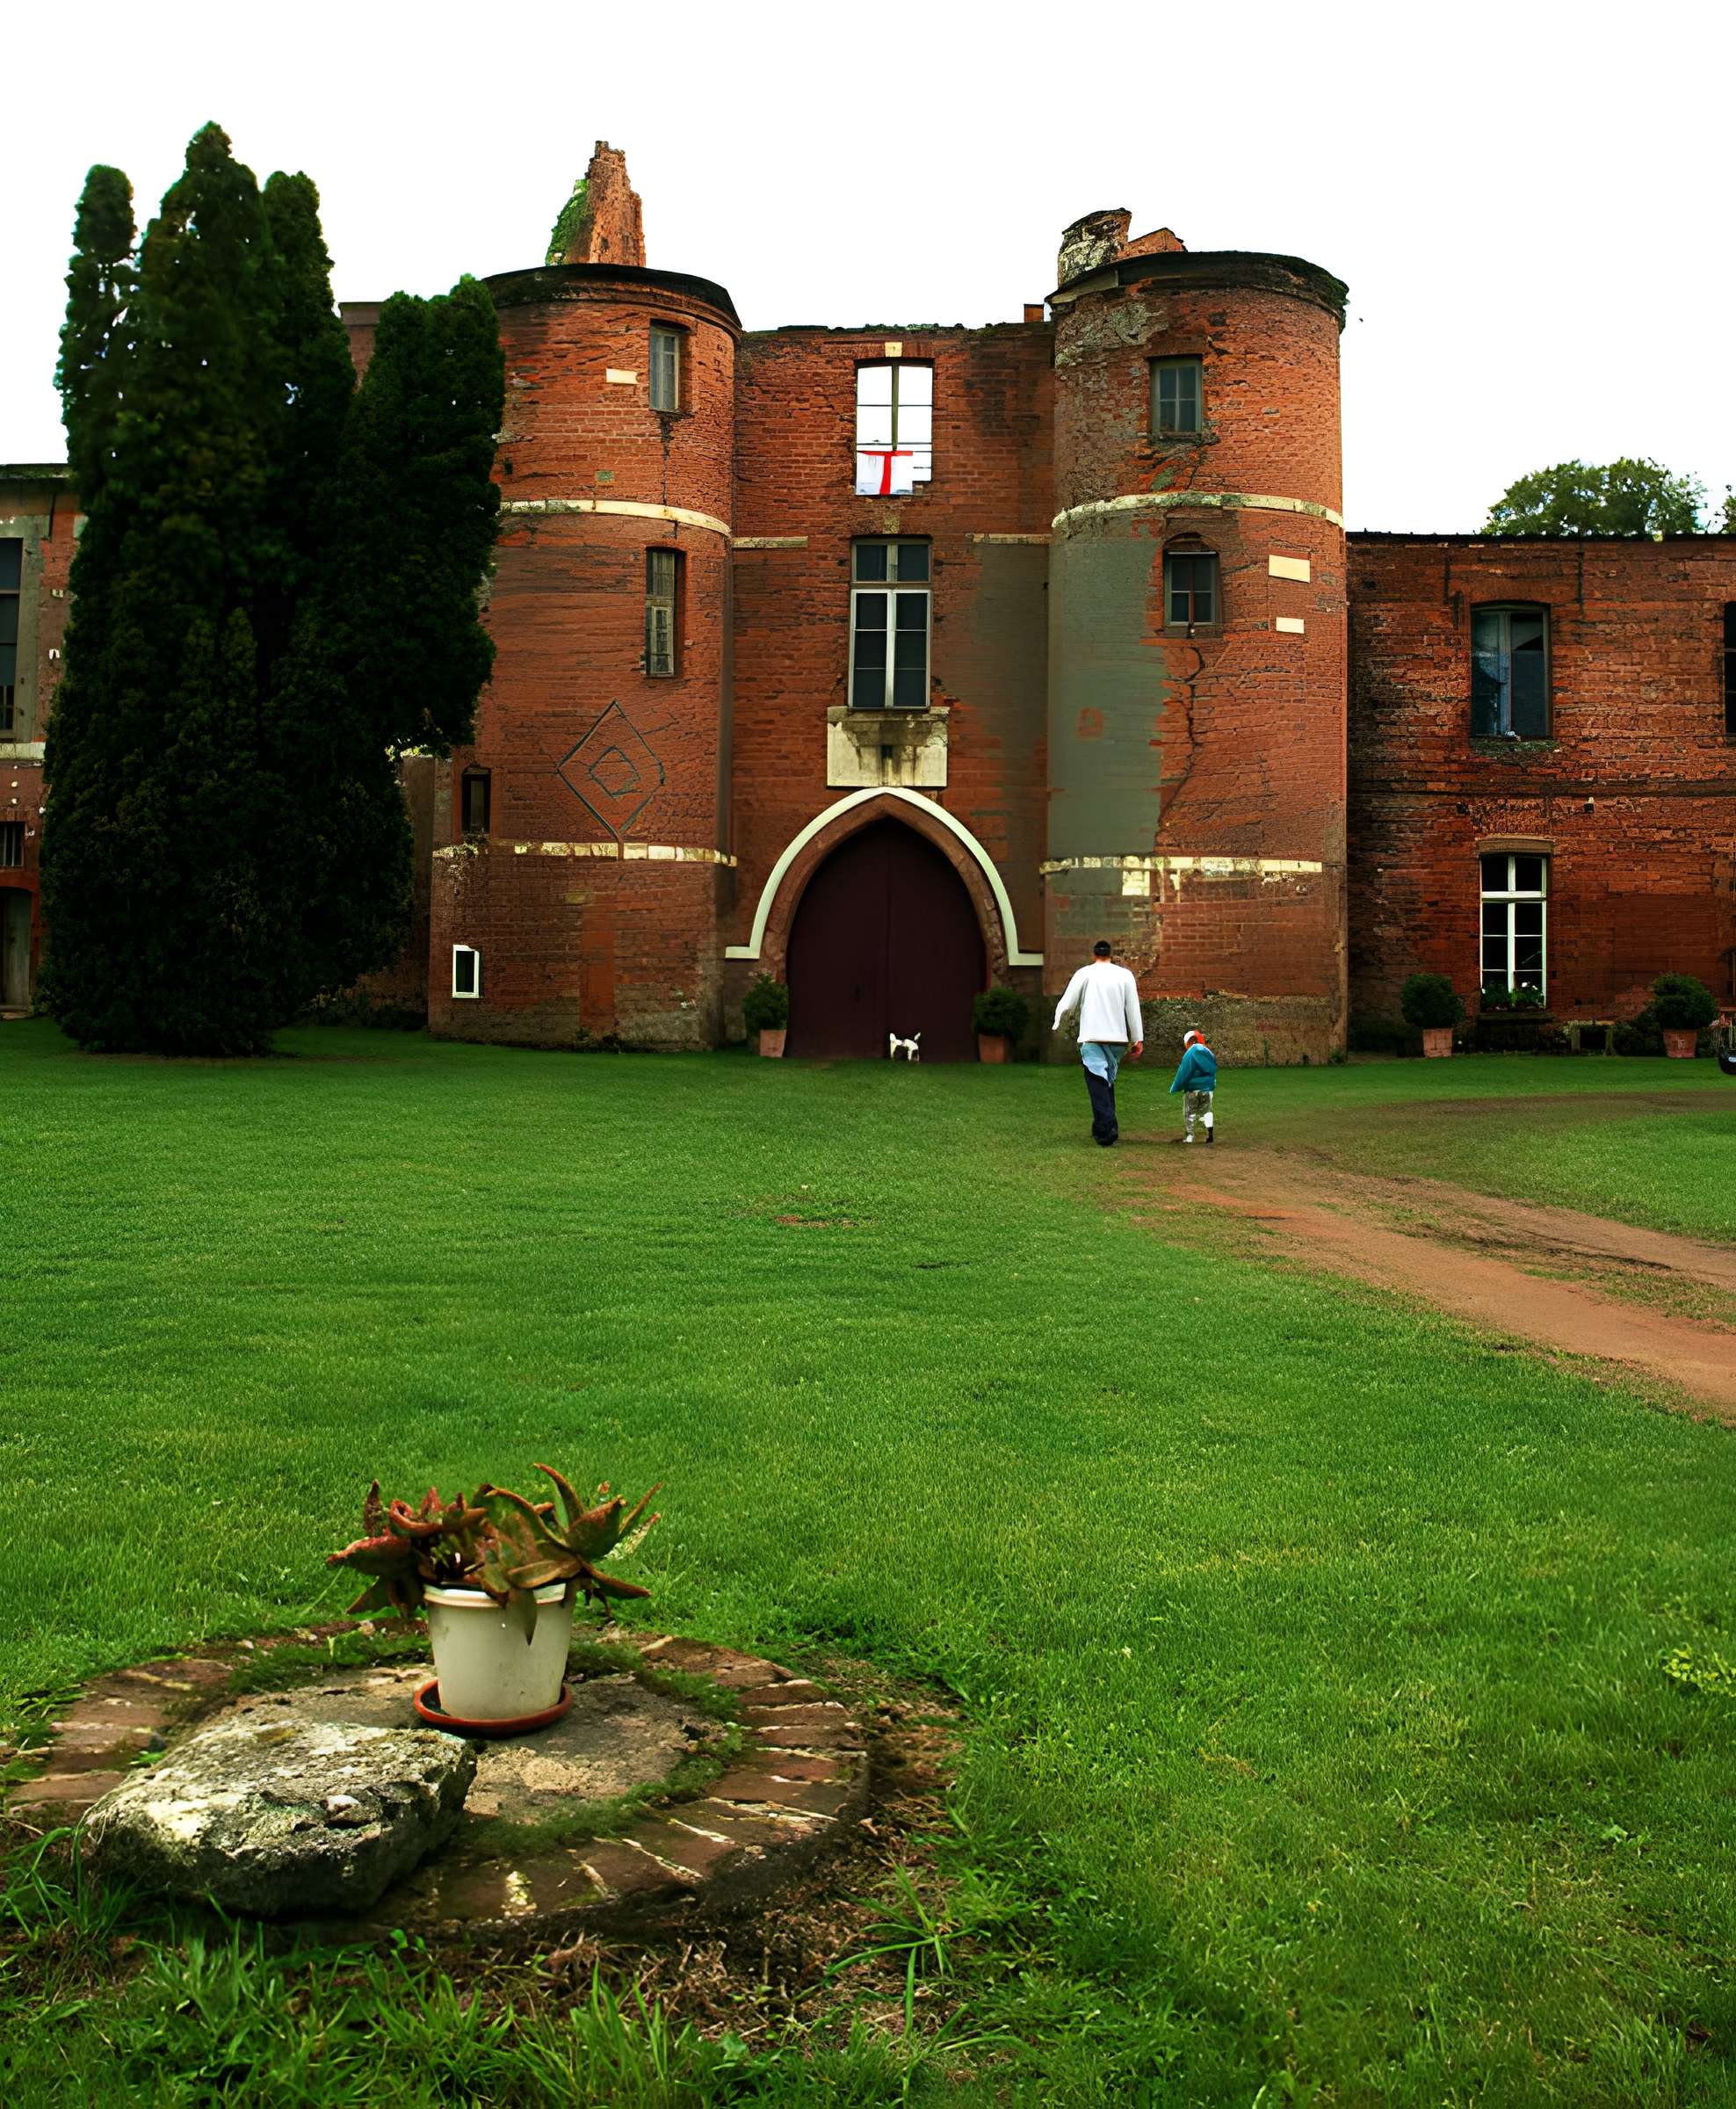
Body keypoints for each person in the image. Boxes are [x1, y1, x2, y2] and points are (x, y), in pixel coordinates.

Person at [1052, 940, 1143, 1146]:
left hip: (1092, 1036)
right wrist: (1138, 1038)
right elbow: (1133, 1008)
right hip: (1117, 1039)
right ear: (1111, 955)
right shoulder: (1125, 976)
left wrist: (1057, 1020)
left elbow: (1068, 1001)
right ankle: (1104, 1126)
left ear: (1094, 955)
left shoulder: (1085, 973)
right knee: (1107, 1081)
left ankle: (1106, 1128)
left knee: (1097, 1083)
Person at [1168, 1027, 1217, 1144]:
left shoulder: (1189, 1053)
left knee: (1190, 1112)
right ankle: (1209, 1135)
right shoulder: (1209, 1053)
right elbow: (1213, 1070)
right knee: (1207, 1112)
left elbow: (1184, 1072)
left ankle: (1190, 1136)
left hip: (1192, 1090)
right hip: (1207, 1089)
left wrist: (1175, 1086)